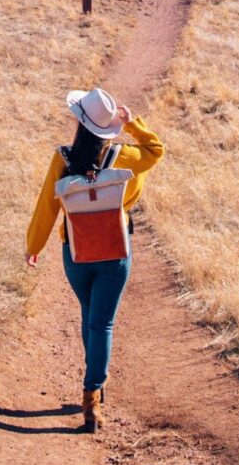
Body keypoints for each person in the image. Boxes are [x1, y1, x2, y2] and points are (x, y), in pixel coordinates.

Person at [25, 86, 164, 432]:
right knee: (102, 323)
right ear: (108, 128)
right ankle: (92, 396)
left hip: (75, 252)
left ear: (79, 122)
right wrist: (133, 124)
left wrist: (34, 245)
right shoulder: (125, 156)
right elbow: (156, 151)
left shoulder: (63, 159)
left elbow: (47, 205)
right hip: (115, 251)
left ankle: (95, 389)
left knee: (90, 318)